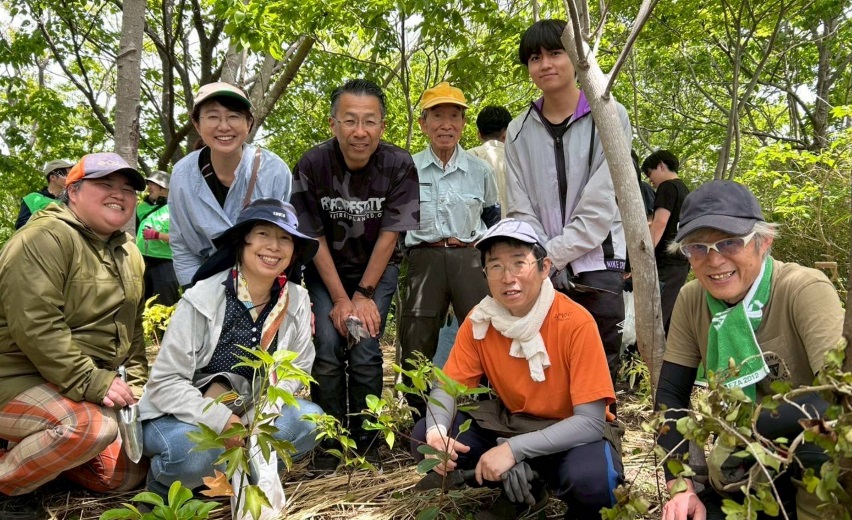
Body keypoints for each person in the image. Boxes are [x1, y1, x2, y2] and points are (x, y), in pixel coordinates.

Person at [411, 218, 623, 520]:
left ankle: (535, 479)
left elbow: (589, 422)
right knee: (423, 436)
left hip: (570, 432)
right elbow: (447, 385)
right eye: (495, 266)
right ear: (485, 274)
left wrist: (514, 451)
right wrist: (437, 433)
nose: (508, 277)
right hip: (510, 423)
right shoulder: (481, 320)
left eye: (519, 263)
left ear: (544, 267)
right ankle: (522, 487)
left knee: (595, 483)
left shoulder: (575, 321)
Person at [655, 180, 843, 520]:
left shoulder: (803, 288)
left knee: (819, 450)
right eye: (697, 247)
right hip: (745, 467)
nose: (713, 260)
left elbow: (835, 398)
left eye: (729, 242)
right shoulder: (692, 299)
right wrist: (680, 485)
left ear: (764, 241)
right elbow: (671, 395)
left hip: (810, 453)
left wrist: (743, 436)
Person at [138, 199, 323, 500]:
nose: (274, 247)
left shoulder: (296, 300)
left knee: (310, 420)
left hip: (250, 409)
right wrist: (222, 420)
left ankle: (231, 480)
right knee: (195, 454)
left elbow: (297, 368)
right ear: (241, 242)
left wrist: (260, 416)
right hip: (182, 412)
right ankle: (165, 489)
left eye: (285, 238)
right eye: (263, 234)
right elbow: (165, 382)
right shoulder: (202, 297)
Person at [0, 153, 148, 517]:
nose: (119, 194)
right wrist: (92, 381)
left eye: (128, 188)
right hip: (17, 376)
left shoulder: (129, 252)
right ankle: (8, 485)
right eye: (105, 184)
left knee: (126, 475)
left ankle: (38, 464)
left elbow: (134, 329)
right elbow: (37, 325)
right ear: (74, 191)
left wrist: (140, 386)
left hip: (73, 385)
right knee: (88, 428)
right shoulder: (42, 238)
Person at [290, 79, 420, 469]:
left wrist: (362, 295)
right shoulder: (312, 165)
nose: (359, 131)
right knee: (327, 348)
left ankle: (367, 441)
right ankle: (331, 440)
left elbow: (390, 234)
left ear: (382, 126)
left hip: (375, 273)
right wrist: (340, 298)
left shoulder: (399, 164)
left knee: (364, 348)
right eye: (349, 120)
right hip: (324, 271)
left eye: (369, 121)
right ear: (333, 125)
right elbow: (311, 236)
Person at [505, 19, 631, 392]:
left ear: (576, 58)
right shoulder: (518, 129)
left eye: (555, 53)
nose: (545, 64)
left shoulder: (609, 114)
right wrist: (541, 258)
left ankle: (603, 444)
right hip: (540, 270)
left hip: (596, 267)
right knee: (546, 369)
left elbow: (601, 201)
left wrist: (550, 256)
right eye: (534, 57)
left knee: (600, 372)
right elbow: (519, 204)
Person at [400, 82, 500, 418]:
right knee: (416, 337)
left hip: (469, 257)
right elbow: (395, 226)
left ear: (463, 124)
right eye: (437, 115)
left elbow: (492, 217)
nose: (446, 124)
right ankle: (420, 416)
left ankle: (483, 413)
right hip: (423, 258)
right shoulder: (407, 168)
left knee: (484, 332)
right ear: (423, 123)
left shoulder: (479, 170)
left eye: (454, 116)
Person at [169, 82, 293, 288]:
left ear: (249, 123)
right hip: (204, 284)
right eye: (213, 116)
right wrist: (193, 293)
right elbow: (181, 242)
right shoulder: (182, 175)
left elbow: (286, 238)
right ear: (197, 124)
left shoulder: (274, 171)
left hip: (261, 285)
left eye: (234, 116)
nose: (224, 126)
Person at [642, 150, 689, 334]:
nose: (650, 180)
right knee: (668, 314)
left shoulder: (667, 187)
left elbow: (660, 223)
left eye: (650, 173)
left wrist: (641, 256)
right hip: (681, 261)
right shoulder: (683, 189)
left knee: (655, 315)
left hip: (666, 262)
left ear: (661, 165)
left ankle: (644, 358)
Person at [136, 170, 180, 306]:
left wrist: (157, 235)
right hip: (142, 264)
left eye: (152, 183)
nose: (148, 187)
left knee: (165, 306)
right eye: (148, 183)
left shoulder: (176, 208)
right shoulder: (141, 207)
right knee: (142, 306)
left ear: (164, 187)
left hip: (166, 265)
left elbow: (184, 239)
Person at [468, 106, 512, 215]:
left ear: (479, 134)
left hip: (480, 231)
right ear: (506, 133)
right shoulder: (522, 159)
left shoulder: (466, 158)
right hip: (517, 230)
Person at [15, 159, 73, 229]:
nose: (71, 178)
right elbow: (21, 226)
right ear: (53, 177)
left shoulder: (71, 200)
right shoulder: (32, 198)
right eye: (67, 175)